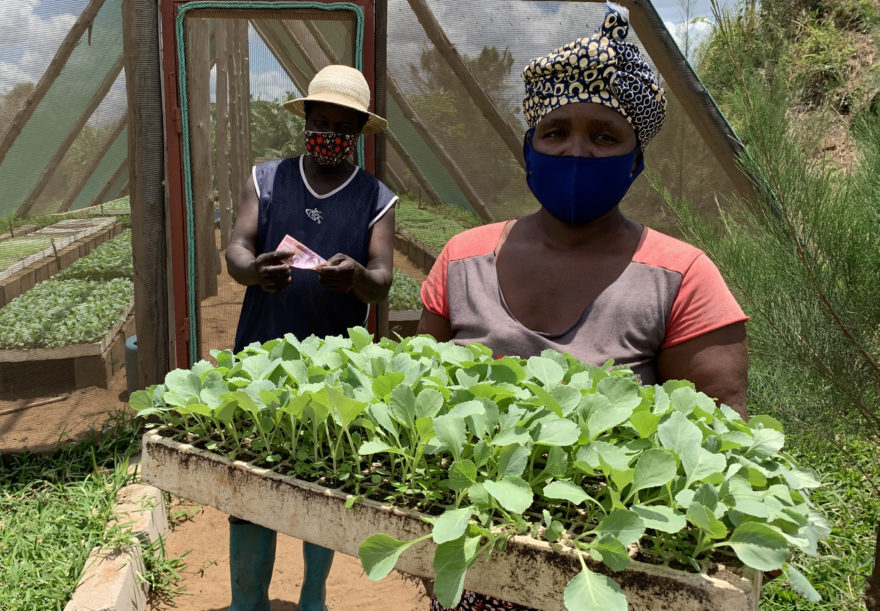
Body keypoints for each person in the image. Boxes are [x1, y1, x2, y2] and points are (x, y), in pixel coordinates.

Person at [417, 5, 749, 609]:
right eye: (555, 132)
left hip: (612, 573)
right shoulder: (462, 259)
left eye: (604, 136)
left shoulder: (682, 276)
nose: (576, 153)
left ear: (636, 158)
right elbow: (418, 403)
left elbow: (716, 444)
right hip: (476, 564)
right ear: (528, 147)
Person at [223, 64, 397, 611]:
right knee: (250, 476)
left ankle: (313, 596)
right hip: (261, 353)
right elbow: (237, 248)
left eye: (341, 127)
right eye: (319, 121)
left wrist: (359, 279)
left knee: (323, 478)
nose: (328, 134)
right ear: (306, 124)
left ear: (358, 134)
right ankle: (248, 600)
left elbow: (383, 279)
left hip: (334, 365)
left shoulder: (375, 197)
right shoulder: (267, 179)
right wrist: (254, 272)